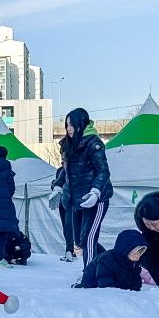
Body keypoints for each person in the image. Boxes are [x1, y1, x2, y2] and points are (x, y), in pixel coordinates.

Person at [61, 107, 112, 269]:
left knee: (89, 238)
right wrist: (57, 187)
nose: (68, 128)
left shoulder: (93, 143)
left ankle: (88, 275)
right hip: (78, 199)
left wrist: (96, 192)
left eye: (71, 125)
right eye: (66, 125)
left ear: (80, 124)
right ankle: (108, 262)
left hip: (97, 198)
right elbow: (66, 171)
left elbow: (103, 170)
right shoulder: (69, 145)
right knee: (81, 241)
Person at [76, 229, 147, 290]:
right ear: (125, 249)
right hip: (92, 288)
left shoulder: (133, 263)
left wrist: (135, 294)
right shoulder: (106, 261)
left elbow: (135, 281)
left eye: (140, 251)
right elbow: (105, 284)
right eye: (135, 252)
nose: (138, 255)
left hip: (117, 288)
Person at [50, 151, 75, 262]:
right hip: (64, 202)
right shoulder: (60, 171)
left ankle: (70, 249)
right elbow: (57, 185)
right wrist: (54, 186)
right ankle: (69, 249)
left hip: (72, 202)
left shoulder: (76, 170)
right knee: (66, 226)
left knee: (70, 226)